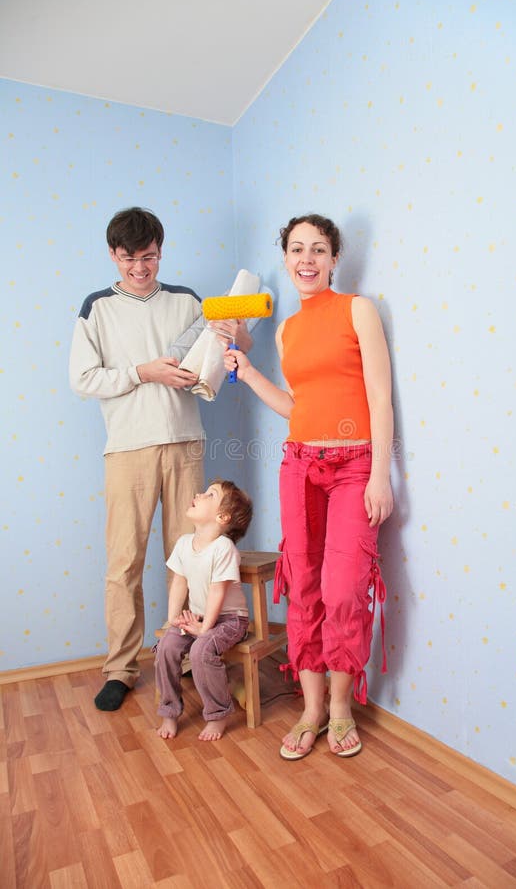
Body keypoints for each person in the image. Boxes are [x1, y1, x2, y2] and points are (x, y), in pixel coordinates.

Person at [224, 213, 393, 760]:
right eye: (297, 249)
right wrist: (248, 373)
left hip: (353, 467)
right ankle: (312, 708)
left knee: (344, 589)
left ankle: (342, 709)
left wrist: (379, 474)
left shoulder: (357, 310)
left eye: (318, 249)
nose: (307, 260)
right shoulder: (286, 329)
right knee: (305, 587)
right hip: (300, 465)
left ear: (334, 258)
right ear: (286, 258)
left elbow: (379, 398)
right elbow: (297, 407)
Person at [69, 206, 252, 711]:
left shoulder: (188, 302)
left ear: (160, 252)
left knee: (193, 561)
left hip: (184, 441)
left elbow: (213, 358)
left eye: (148, 257)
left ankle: (192, 654)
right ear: (113, 255)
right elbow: (83, 379)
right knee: (123, 562)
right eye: (129, 259)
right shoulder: (96, 308)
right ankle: (121, 669)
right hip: (127, 447)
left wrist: (209, 367)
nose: (140, 269)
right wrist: (144, 371)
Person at [155, 480, 253, 740]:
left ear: (222, 517)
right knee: (167, 646)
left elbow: (218, 591)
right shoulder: (185, 543)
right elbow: (179, 582)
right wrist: (172, 622)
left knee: (201, 649)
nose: (199, 493)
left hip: (230, 620)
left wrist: (204, 629)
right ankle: (169, 710)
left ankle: (219, 714)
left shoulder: (224, 548)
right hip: (200, 616)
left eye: (210, 494)